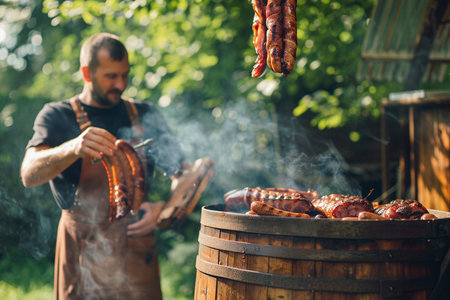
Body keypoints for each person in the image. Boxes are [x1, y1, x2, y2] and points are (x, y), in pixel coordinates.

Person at [20, 32, 201, 300]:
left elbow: (185, 174)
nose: (121, 84)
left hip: (137, 253)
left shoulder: (145, 114)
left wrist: (164, 210)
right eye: (111, 76)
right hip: (82, 252)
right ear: (87, 72)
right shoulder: (57, 115)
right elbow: (29, 173)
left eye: (125, 75)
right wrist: (73, 147)